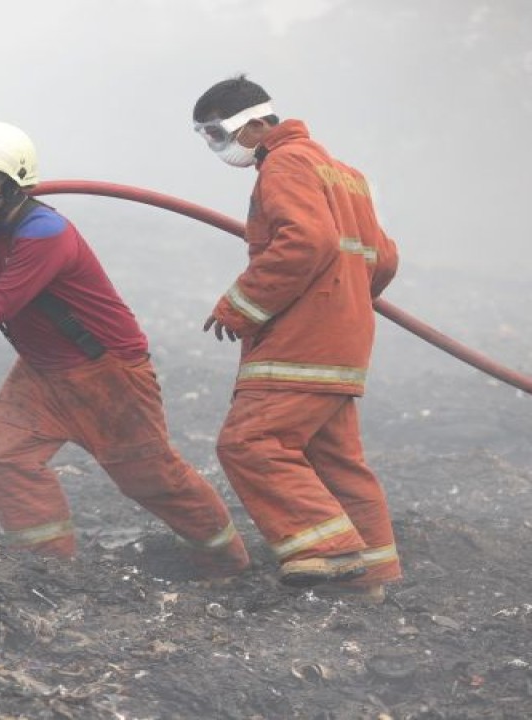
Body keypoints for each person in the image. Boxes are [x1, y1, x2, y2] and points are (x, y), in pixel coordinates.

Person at [0, 121, 249, 578]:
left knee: (151, 478)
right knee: (0, 452)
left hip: (103, 371)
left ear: (9, 189)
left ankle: (227, 563)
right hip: (43, 369)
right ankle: (48, 568)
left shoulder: (45, 233)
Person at [191, 76, 401, 600]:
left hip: (301, 344)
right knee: (335, 461)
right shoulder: (345, 174)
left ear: (257, 122)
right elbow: (385, 258)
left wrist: (240, 305)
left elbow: (307, 240)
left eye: (219, 133)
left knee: (250, 443)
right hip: (343, 344)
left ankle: (326, 552)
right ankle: (372, 576)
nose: (218, 147)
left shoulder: (285, 164)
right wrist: (347, 299)